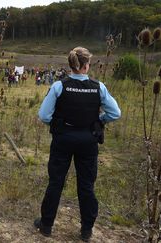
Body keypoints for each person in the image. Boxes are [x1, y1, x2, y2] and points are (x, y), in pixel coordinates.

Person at [34, 47, 121, 241]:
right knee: (86, 185)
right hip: (88, 140)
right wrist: (101, 120)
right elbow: (116, 113)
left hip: (63, 137)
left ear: (71, 65)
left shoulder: (59, 86)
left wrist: (57, 124)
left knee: (56, 182)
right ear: (85, 66)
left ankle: (46, 225)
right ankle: (86, 229)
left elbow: (44, 115)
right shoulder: (99, 87)